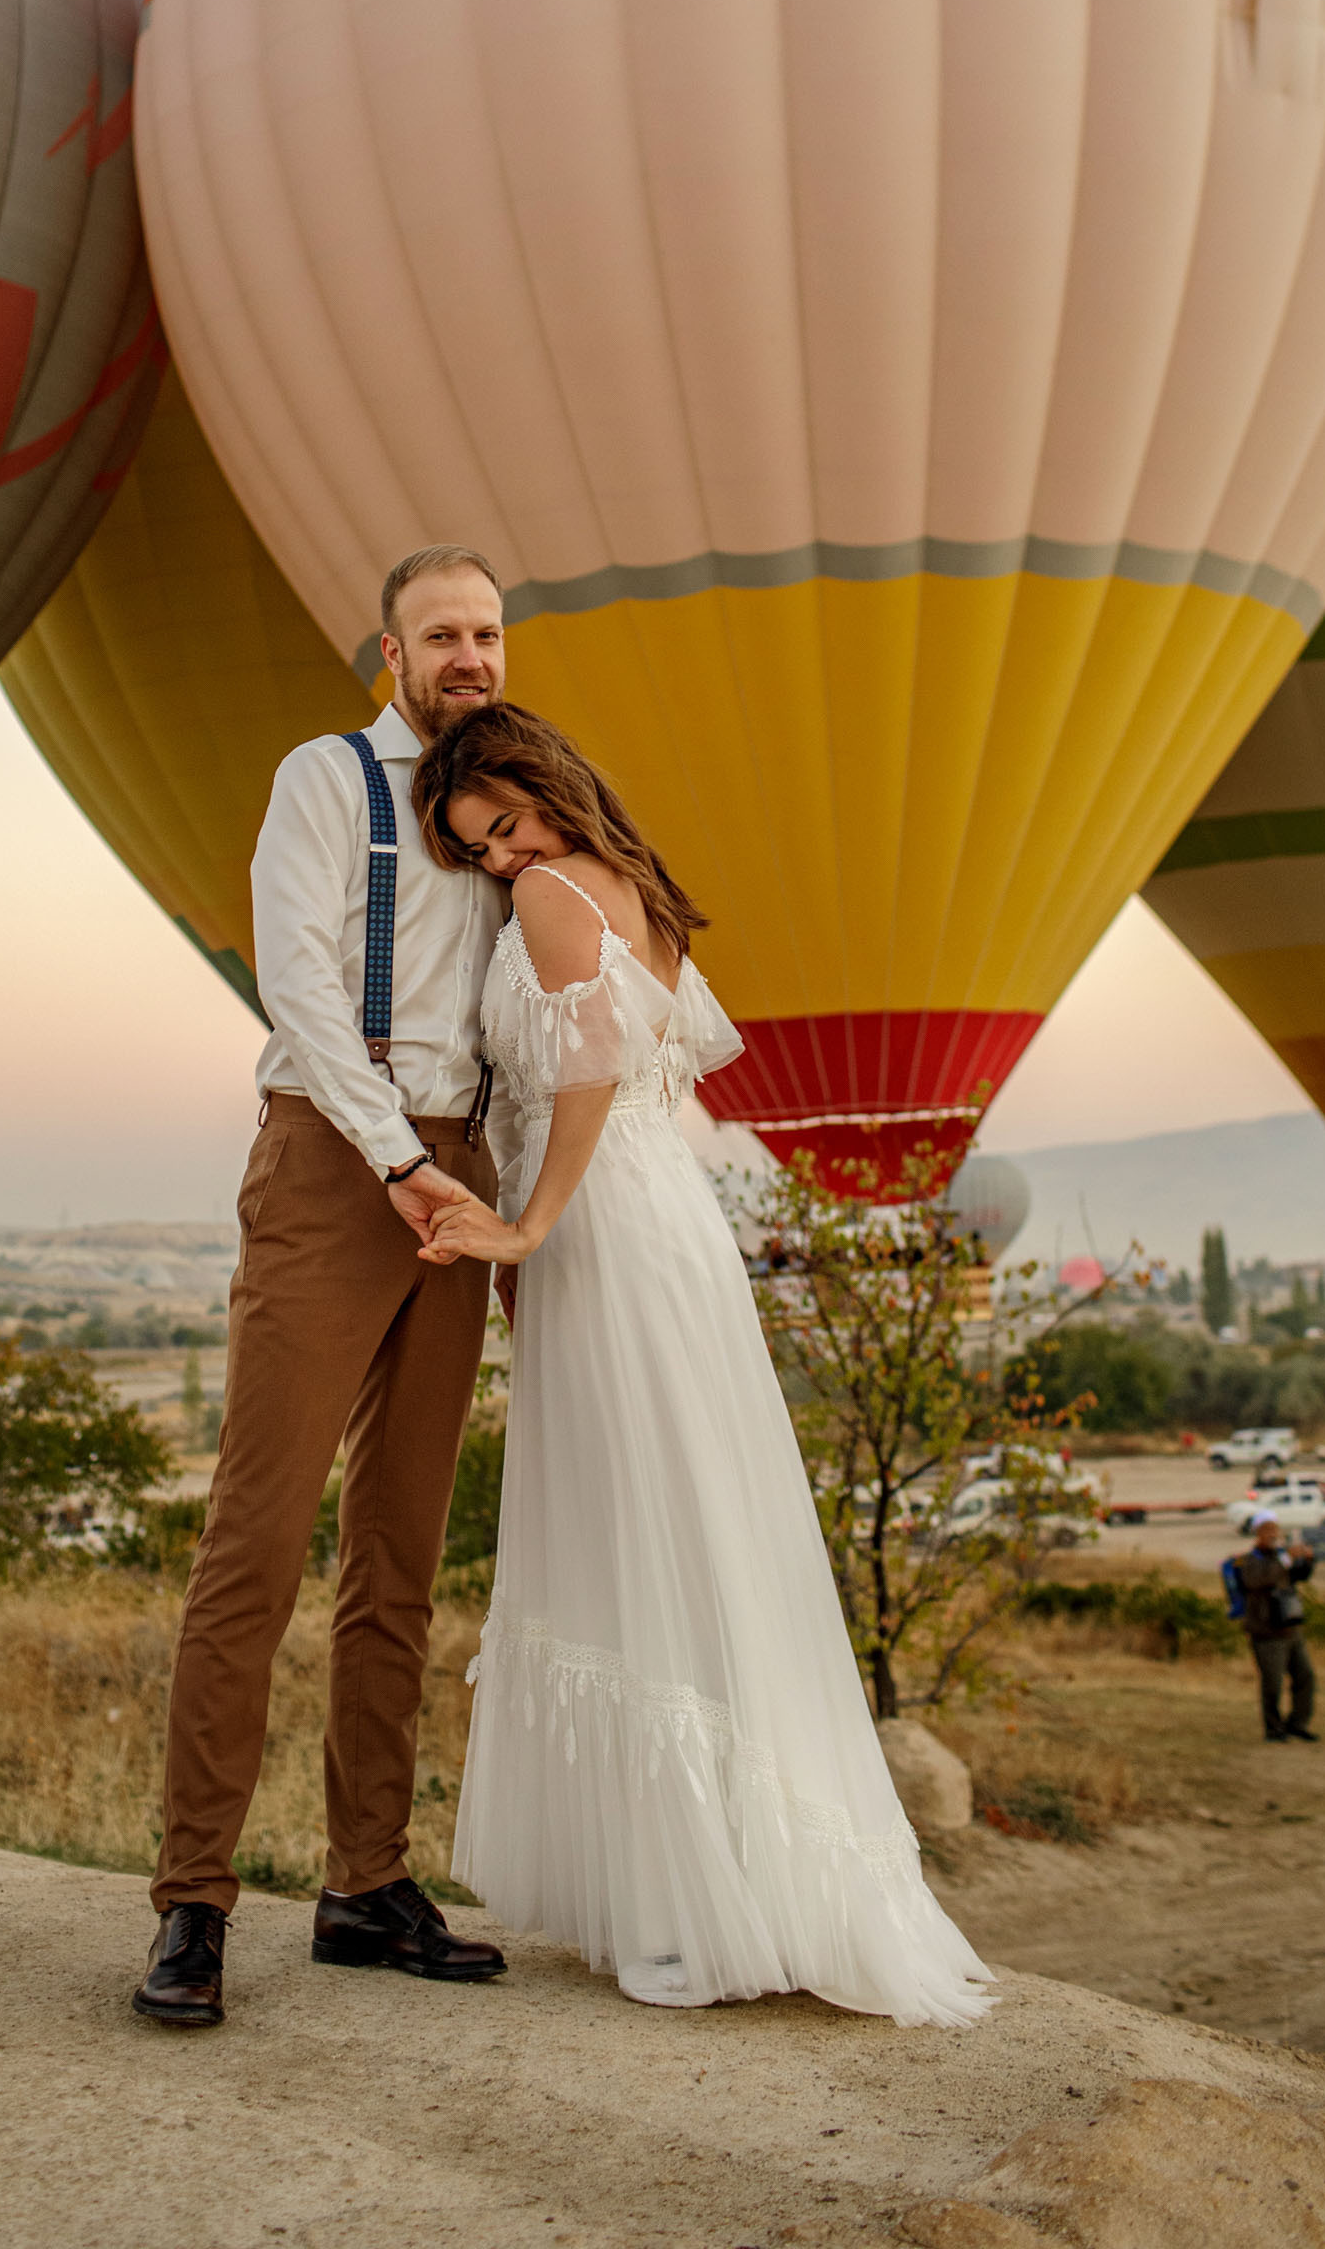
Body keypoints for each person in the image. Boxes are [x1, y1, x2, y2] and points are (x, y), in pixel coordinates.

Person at [407, 702, 995, 2022]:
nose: (499, 862)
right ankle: (718, 1886)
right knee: (691, 1530)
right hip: (667, 1223)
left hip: (607, 1226)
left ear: (542, 786)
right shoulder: (637, 889)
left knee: (641, 1537)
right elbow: (667, 1067)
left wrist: (528, 1225)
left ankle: (690, 1909)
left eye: (501, 826)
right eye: (479, 851)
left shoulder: (558, 893)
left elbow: (587, 1079)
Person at [133, 546, 521, 2032]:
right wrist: (392, 1163)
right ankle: (192, 1901)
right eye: (443, 632)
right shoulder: (328, 781)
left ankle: (367, 1880)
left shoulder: (515, 806)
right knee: (257, 1535)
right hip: (333, 1161)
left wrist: (506, 1206)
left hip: (462, 1178)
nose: (470, 653)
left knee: (402, 1547)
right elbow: (293, 980)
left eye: (489, 630)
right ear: (392, 647)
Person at [1230, 1514, 1318, 1743]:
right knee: (1273, 1682)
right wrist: (1286, 1559)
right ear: (1258, 1533)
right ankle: (1273, 1727)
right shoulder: (1249, 1560)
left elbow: (1298, 1577)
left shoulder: (1280, 1557)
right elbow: (1258, 1581)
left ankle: (1298, 1723)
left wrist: (1308, 1560)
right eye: (1267, 1529)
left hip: (1290, 1627)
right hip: (1266, 1631)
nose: (1272, 1534)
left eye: (1275, 1529)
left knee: (1305, 1676)